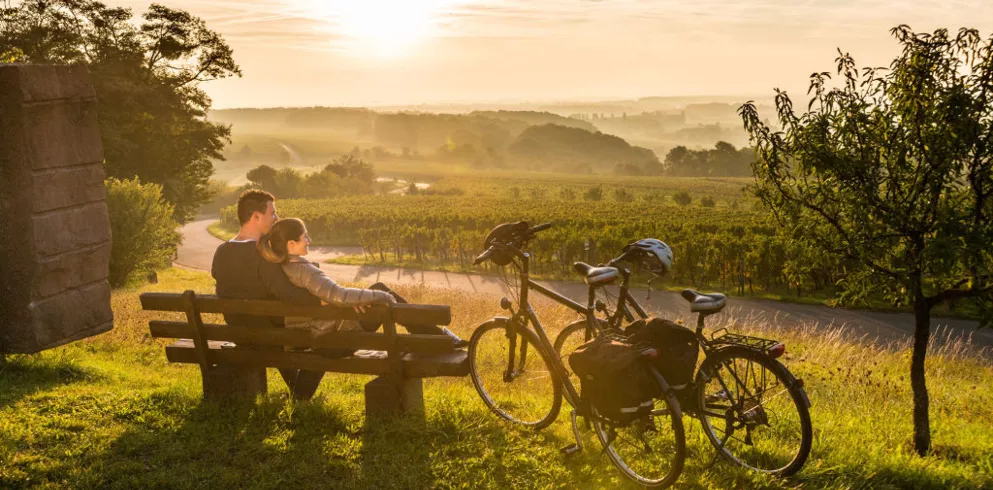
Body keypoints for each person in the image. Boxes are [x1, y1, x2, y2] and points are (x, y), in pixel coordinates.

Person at [257, 217, 467, 346]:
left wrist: (355, 300)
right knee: (381, 290)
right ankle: (439, 337)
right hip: (338, 331)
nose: (310, 240)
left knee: (375, 293)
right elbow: (338, 295)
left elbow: (333, 296)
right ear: (292, 244)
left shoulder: (282, 267)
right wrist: (383, 298)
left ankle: (435, 334)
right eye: (305, 237)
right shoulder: (304, 270)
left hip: (324, 326)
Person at [211, 189, 324, 399]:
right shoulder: (262, 254)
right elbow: (288, 294)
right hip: (271, 336)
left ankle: (296, 391)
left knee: (271, 324)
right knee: (327, 335)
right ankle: (301, 396)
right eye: (273, 213)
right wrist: (323, 300)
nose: (276, 218)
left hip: (239, 333)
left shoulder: (221, 251)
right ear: (256, 216)